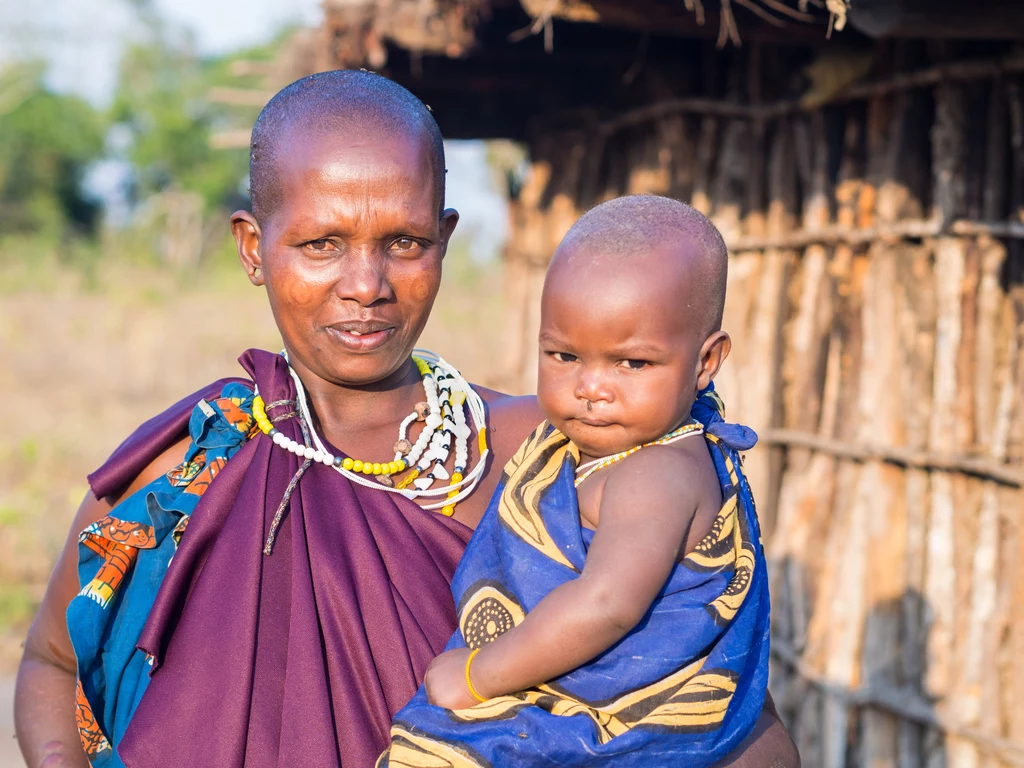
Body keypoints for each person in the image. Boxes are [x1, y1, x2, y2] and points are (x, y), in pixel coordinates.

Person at [14, 72, 797, 768]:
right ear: (255, 249)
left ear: (446, 242)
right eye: (321, 243)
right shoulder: (184, 469)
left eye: (405, 242)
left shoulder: (558, 457)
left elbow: (723, 702)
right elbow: (52, 663)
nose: (366, 284)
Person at [380, 195, 774, 767]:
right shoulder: (578, 449)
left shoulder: (659, 472)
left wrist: (478, 675)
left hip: (612, 722)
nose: (591, 387)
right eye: (564, 355)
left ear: (707, 361)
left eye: (631, 363)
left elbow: (607, 604)